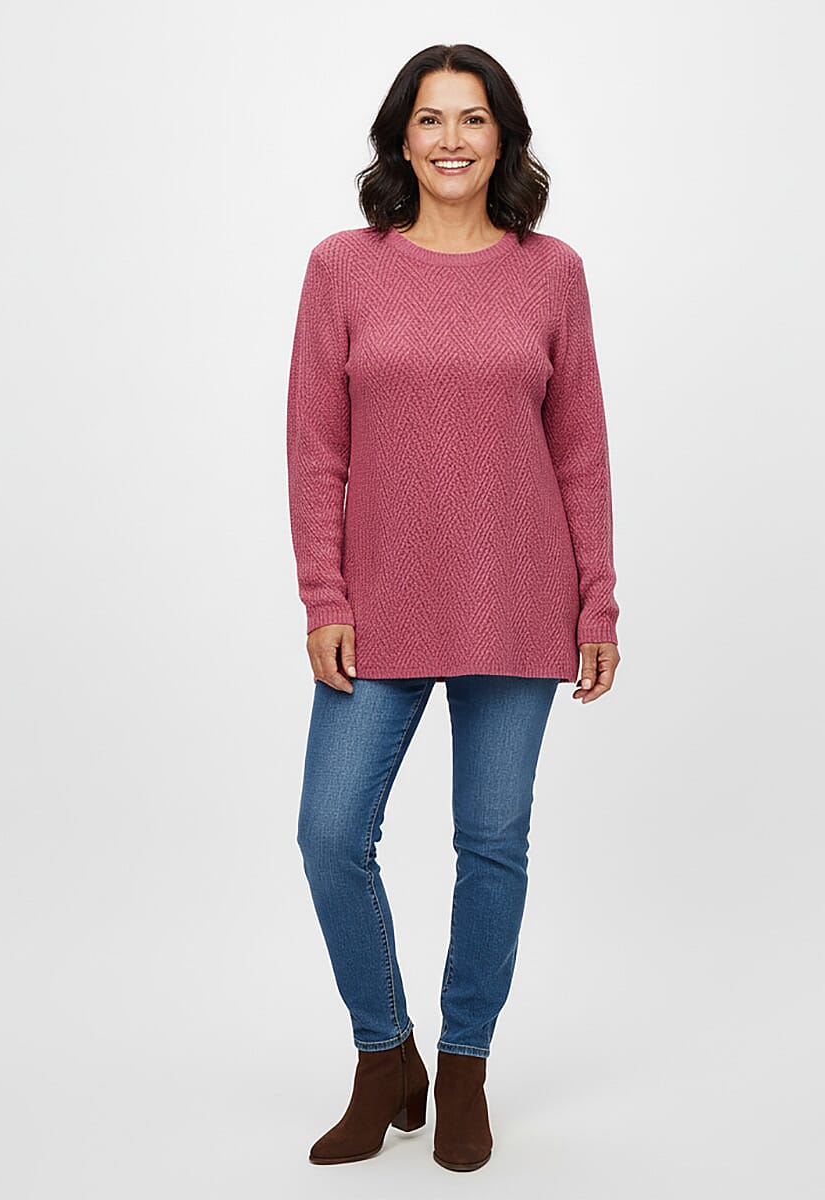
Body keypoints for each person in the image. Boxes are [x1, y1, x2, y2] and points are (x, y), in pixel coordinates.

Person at [285, 43, 621, 1172]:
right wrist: (323, 593)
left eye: (472, 119)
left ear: (503, 137)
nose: (450, 140)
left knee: (492, 842)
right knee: (331, 833)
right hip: (377, 601)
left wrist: (598, 603)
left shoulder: (552, 273)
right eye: (430, 119)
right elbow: (316, 450)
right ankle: (386, 1055)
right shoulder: (343, 267)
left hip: (520, 597)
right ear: (401, 135)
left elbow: (580, 452)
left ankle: (466, 1063)